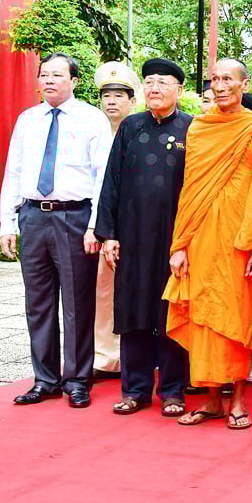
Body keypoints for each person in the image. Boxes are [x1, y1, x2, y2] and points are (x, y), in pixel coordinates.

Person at [163, 58, 252, 429]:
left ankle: (239, 398)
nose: (220, 85)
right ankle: (211, 399)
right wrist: (179, 244)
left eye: (228, 78)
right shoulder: (200, 129)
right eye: (214, 79)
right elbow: (190, 188)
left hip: (238, 240)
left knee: (236, 316)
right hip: (200, 235)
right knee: (203, 317)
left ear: (244, 84)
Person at [0, 52, 112, 409]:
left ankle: (77, 379)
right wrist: (8, 221)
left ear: (74, 81)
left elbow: (101, 176)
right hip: (33, 216)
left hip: (75, 218)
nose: (48, 81)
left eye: (57, 75)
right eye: (44, 75)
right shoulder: (27, 120)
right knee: (38, 302)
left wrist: (96, 225)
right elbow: (13, 172)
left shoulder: (92, 120)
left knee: (78, 304)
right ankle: (45, 379)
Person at [94, 58, 192, 417]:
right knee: (132, 312)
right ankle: (135, 390)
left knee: (170, 313)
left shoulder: (191, 130)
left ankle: (172, 391)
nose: (154, 88)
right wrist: (109, 235)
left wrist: (187, 241)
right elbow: (111, 183)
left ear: (179, 90)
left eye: (163, 82)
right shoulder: (131, 127)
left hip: (173, 240)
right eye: (149, 82)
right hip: (132, 238)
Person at [91, 62, 140, 380]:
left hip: (137, 225)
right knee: (102, 291)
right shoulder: (91, 133)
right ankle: (106, 356)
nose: (112, 101)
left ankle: (138, 356)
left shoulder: (142, 131)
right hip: (100, 225)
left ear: (133, 101)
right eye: (107, 95)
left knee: (139, 290)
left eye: (119, 95)